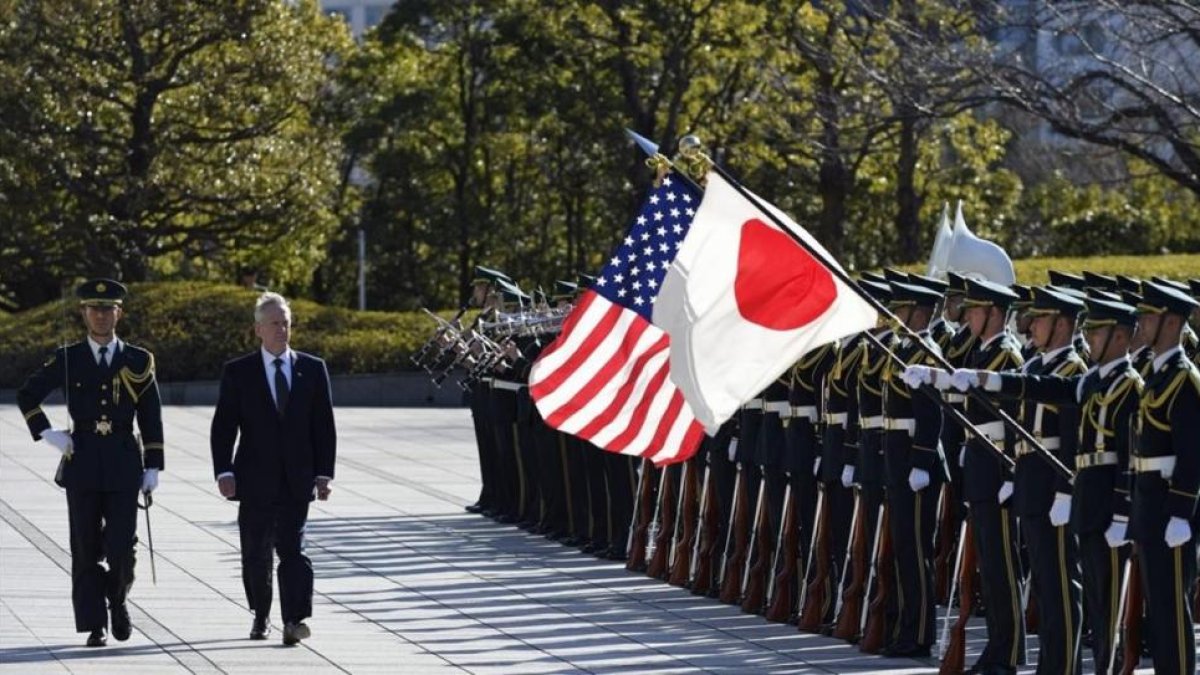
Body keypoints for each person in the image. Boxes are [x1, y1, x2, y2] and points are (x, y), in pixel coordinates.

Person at [16, 278, 164, 647]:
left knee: (121, 548)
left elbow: (151, 414)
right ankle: (94, 623)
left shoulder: (138, 360)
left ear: (119, 313)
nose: (101, 316)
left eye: (107, 309)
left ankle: (117, 599)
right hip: (81, 460)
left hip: (122, 462)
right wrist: (47, 433)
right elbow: (28, 394)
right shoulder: (70, 358)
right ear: (83, 313)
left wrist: (153, 465)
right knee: (84, 546)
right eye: (94, 309)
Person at [210, 292, 336, 645]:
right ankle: (261, 614)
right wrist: (224, 472)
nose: (282, 330)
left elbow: (323, 425)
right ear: (258, 330)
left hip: (297, 479)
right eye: (274, 324)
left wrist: (324, 473)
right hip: (253, 479)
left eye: (286, 323)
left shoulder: (312, 369)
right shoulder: (239, 372)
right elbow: (223, 427)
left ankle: (294, 619)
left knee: (293, 550)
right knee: (255, 553)